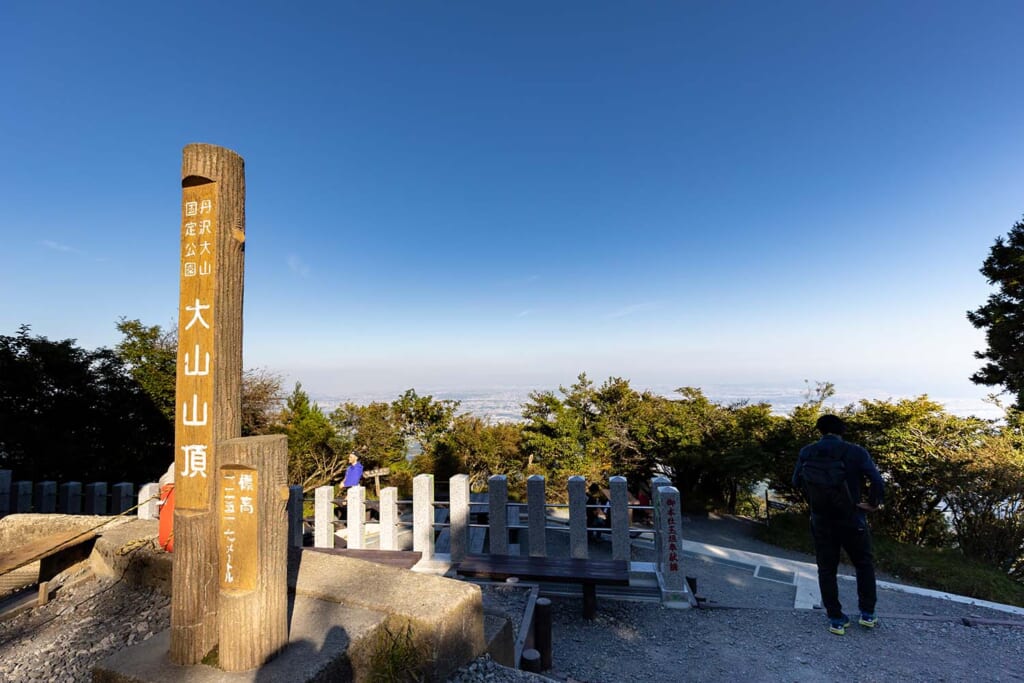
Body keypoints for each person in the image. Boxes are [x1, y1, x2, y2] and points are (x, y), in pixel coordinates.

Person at [793, 414, 885, 635]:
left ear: (820, 430)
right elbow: (877, 481)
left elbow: (796, 482)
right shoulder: (855, 452)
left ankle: (835, 619)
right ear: (841, 430)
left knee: (826, 569)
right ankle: (867, 614)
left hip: (821, 519)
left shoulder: (807, 451)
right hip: (852, 518)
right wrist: (872, 504)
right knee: (863, 563)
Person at [335, 452, 364, 522]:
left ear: (356, 458)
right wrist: (342, 482)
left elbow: (355, 481)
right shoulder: (349, 468)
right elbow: (346, 477)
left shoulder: (359, 467)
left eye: (351, 457)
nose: (349, 458)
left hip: (355, 489)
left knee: (347, 505)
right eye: (349, 457)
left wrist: (344, 485)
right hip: (348, 489)